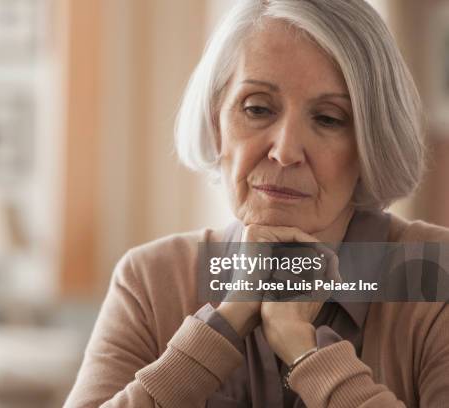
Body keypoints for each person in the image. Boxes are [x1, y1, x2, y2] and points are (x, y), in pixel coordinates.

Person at [65, 1, 449, 407]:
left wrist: (308, 355)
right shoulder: (150, 279)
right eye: (258, 109)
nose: (285, 151)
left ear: (371, 143)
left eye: (329, 118)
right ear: (217, 121)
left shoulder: (435, 273)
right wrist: (223, 324)